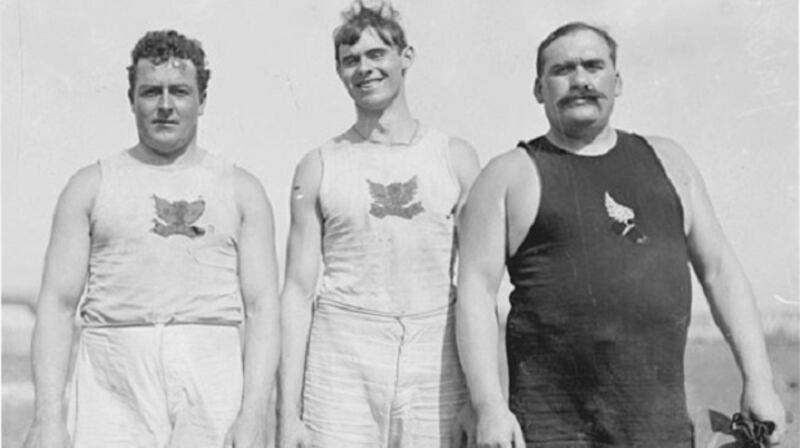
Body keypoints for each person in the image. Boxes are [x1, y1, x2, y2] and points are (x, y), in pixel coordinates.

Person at [456, 22, 787, 447]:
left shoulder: (670, 162)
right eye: (562, 70)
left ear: (618, 81)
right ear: (539, 89)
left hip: (657, 427)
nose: (580, 80)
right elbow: (475, 292)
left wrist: (758, 380)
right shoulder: (507, 175)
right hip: (550, 429)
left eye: (593, 66)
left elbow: (720, 270)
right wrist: (488, 406)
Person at [22, 29, 280, 447]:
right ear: (131, 100)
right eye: (150, 92)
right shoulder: (90, 185)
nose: (164, 106)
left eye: (179, 91)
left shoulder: (241, 189)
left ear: (201, 100)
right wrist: (48, 419)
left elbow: (263, 308)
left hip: (210, 365)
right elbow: (57, 304)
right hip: (113, 368)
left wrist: (252, 414)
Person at [278, 1, 480, 446]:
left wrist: (480, 399)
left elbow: (479, 287)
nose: (364, 69)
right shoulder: (319, 166)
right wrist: (288, 414)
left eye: (376, 55)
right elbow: (296, 291)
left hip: (435, 350)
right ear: (338, 71)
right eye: (351, 60)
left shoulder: (454, 157)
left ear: (405, 57)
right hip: (343, 351)